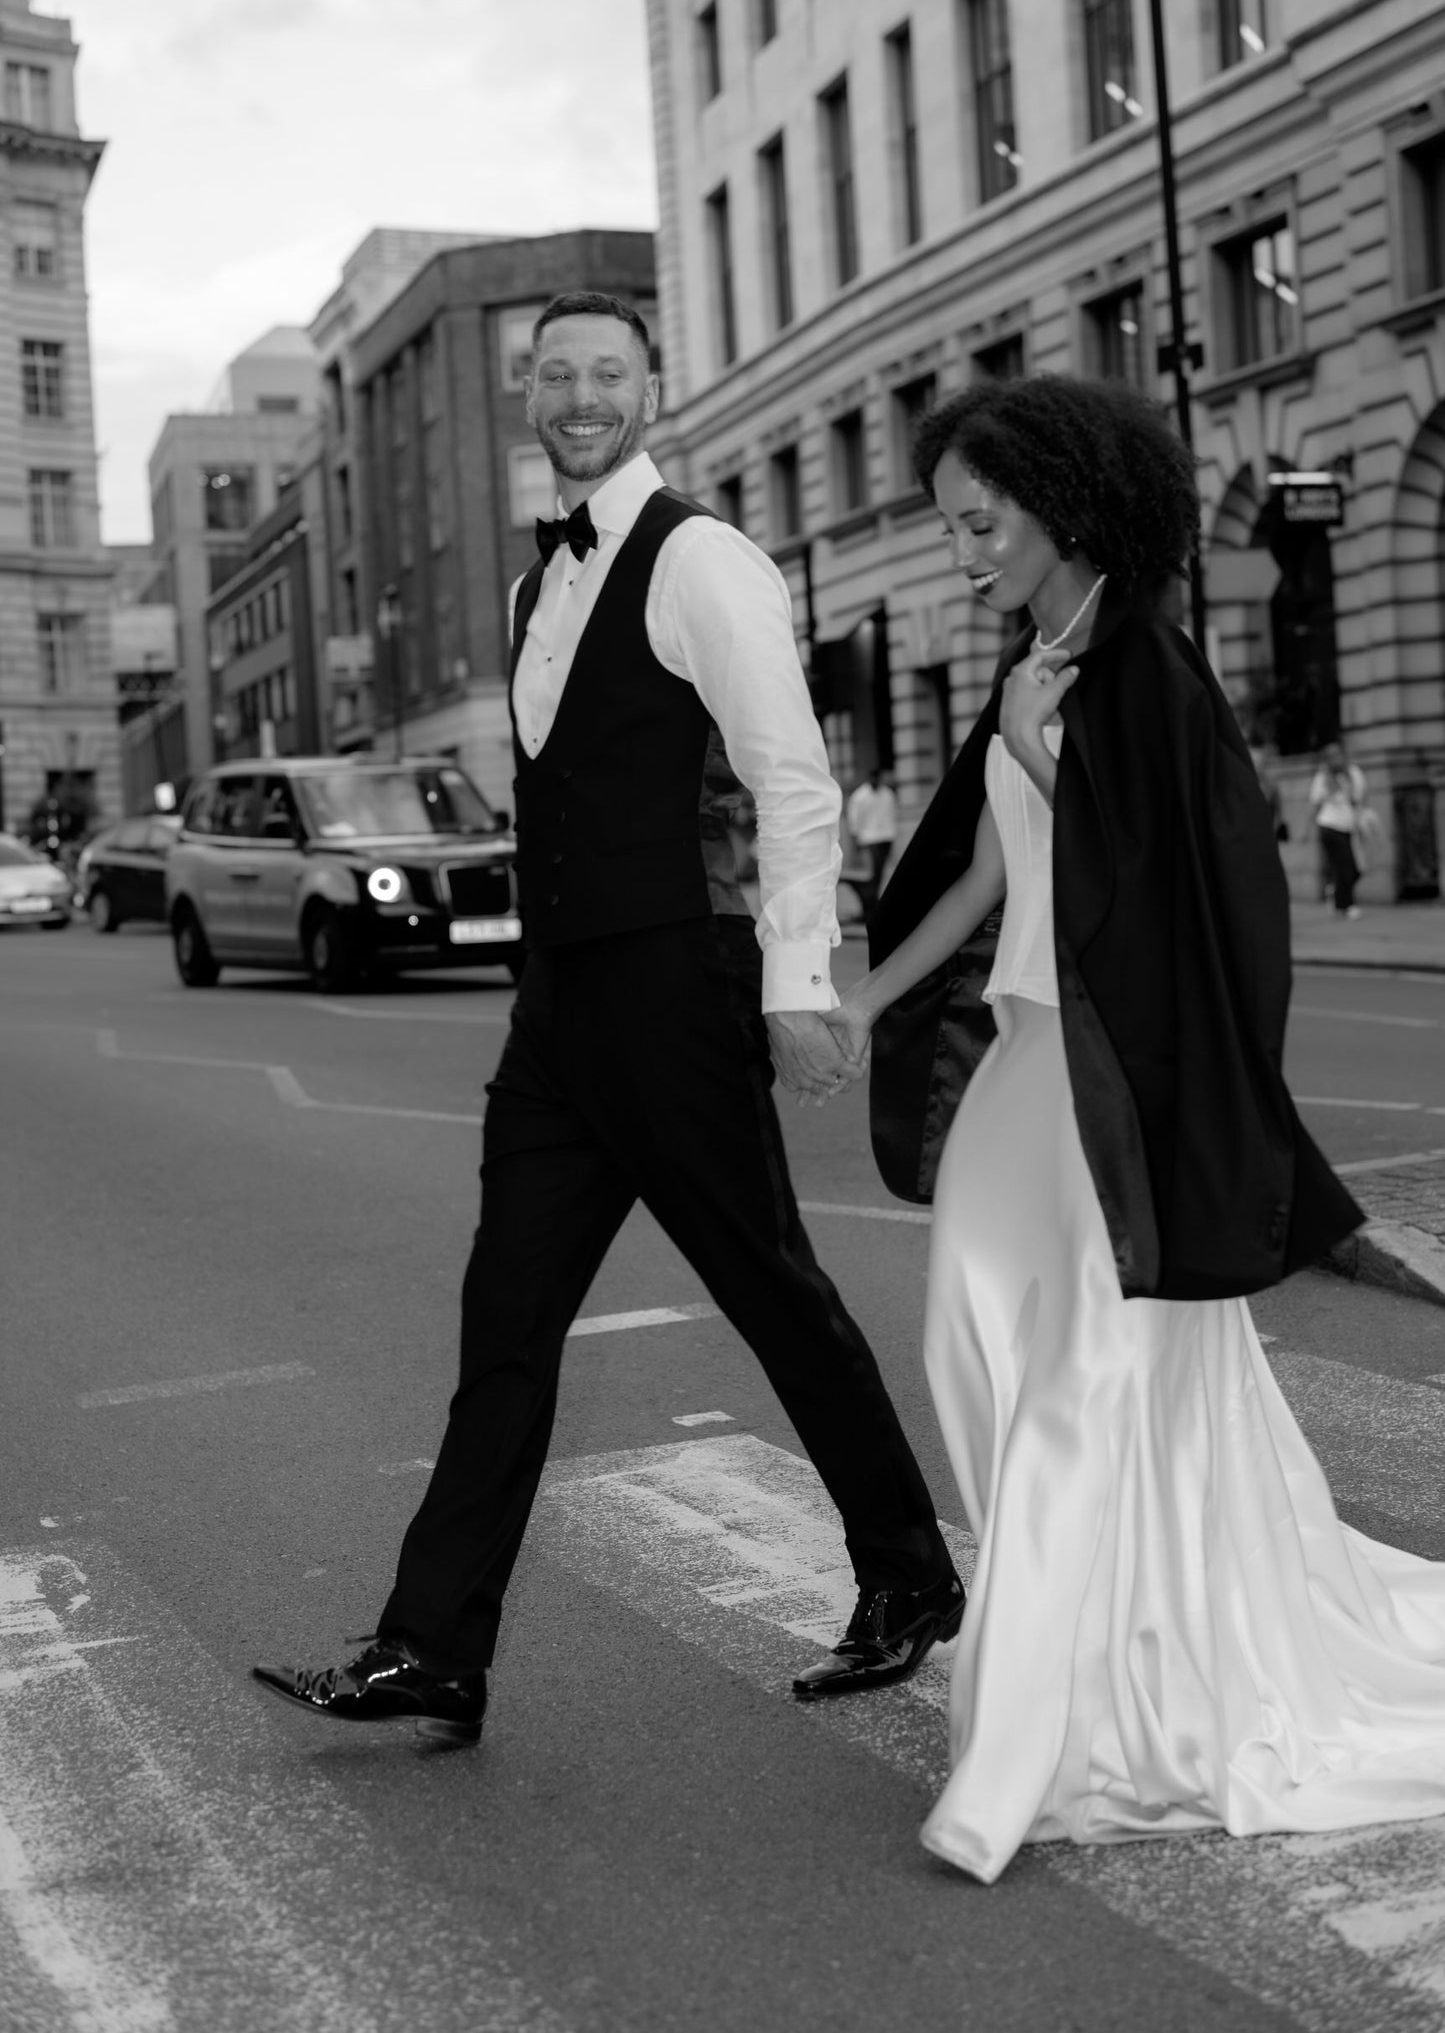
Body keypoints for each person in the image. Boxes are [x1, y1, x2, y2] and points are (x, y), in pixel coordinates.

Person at [253, 292, 962, 1741]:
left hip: (674, 994)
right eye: (556, 372)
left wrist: (791, 987)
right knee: (501, 1319)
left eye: (606, 371)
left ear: (651, 385)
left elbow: (793, 784)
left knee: (773, 1290)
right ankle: (432, 1644)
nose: (579, 393)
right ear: (530, 392)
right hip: (559, 1007)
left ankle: (907, 1575)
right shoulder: (533, 591)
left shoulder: (703, 557)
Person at [824, 374, 1445, 1884]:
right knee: (968, 1342)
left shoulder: (1147, 668)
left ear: (1062, 508)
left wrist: (1051, 758)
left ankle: (1039, 1730)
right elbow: (980, 872)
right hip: (1025, 1071)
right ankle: (1080, 1640)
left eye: (980, 523)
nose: (961, 551)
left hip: (1117, 1089)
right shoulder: (1032, 655)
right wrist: (859, 1000)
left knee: (1084, 1387)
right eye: (951, 526)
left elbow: (1199, 882)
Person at [1309, 741, 1370, 916]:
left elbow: (1361, 799)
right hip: (1328, 826)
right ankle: (1348, 905)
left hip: (1349, 826)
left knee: (1355, 868)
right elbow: (1314, 804)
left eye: (1338, 755)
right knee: (1345, 865)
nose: (1336, 759)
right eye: (1332, 756)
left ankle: (1336, 896)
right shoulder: (1322, 778)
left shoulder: (1353, 774)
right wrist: (1306, 831)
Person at [845, 766, 899, 914]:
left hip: (886, 836)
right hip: (869, 838)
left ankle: (873, 901)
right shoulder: (860, 796)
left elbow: (892, 814)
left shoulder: (887, 794)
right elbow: (854, 819)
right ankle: (871, 903)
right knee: (872, 872)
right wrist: (856, 839)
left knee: (880, 871)